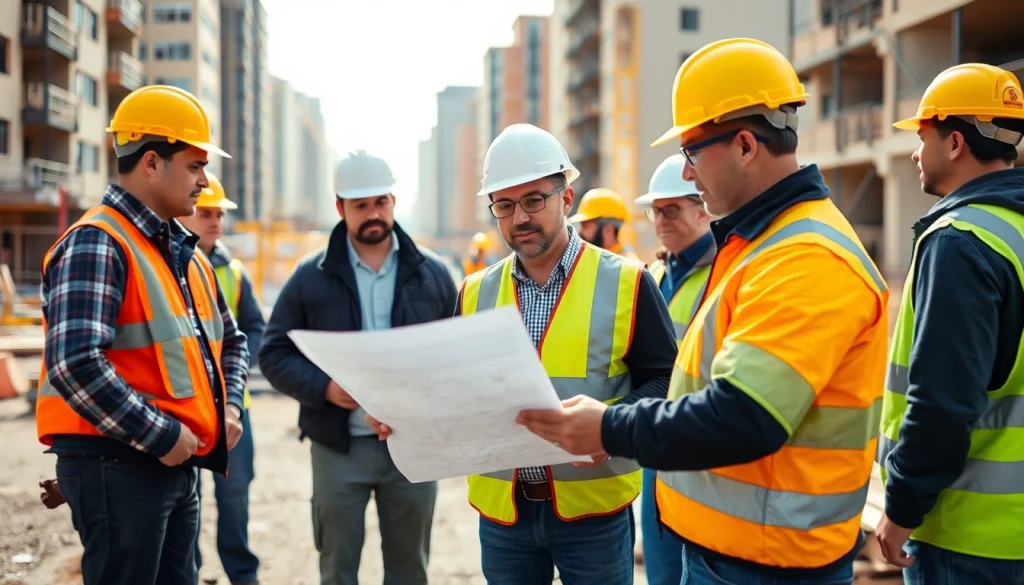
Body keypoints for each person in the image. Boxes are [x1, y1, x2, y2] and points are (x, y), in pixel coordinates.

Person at [517, 38, 890, 585]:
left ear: (744, 145)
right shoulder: (761, 243)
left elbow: (744, 416)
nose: (687, 174)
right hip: (738, 551)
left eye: (692, 153)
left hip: (768, 563)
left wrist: (608, 427)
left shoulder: (805, 257)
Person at [369, 123, 678, 584]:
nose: (519, 218)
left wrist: (609, 426)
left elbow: (666, 381)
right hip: (504, 517)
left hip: (593, 513)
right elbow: (457, 392)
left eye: (534, 200)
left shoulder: (629, 282)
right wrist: (405, 416)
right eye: (505, 205)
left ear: (566, 199)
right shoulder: (475, 291)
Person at [34, 84, 248, 585]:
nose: (204, 180)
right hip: (119, 467)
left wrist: (230, 408)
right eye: (195, 166)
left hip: (174, 465)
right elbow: (74, 363)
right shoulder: (97, 242)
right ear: (152, 163)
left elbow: (232, 342)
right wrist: (161, 435)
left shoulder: (186, 254)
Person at [258, 150, 458, 585]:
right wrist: (326, 389)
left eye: (381, 202)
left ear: (393, 201)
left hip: (413, 450)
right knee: (337, 570)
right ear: (340, 208)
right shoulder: (309, 277)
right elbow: (273, 353)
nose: (373, 214)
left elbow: (455, 356)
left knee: (409, 571)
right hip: (338, 449)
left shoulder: (434, 275)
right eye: (360, 205)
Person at [874, 63, 1024, 584]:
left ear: (955, 142)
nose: (916, 152)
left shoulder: (960, 241)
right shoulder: (1015, 232)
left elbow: (942, 402)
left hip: (969, 539)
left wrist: (901, 509)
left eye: (923, 135)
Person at [630, 153, 714, 585]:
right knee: (662, 567)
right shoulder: (656, 274)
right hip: (655, 442)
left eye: (672, 210)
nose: (660, 220)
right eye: (655, 210)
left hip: (702, 445)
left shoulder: (724, 273)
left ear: (703, 209)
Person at [178, 173, 265, 585]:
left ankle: (241, 574)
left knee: (235, 496)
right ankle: (188, 571)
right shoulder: (169, 264)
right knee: (184, 499)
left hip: (234, 408)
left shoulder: (234, 272)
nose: (215, 221)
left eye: (219, 214)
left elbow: (253, 329)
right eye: (207, 212)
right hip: (186, 407)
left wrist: (235, 377)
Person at [568, 188, 641, 261]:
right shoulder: (587, 260)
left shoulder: (628, 265)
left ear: (608, 230)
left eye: (586, 227)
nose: (580, 233)